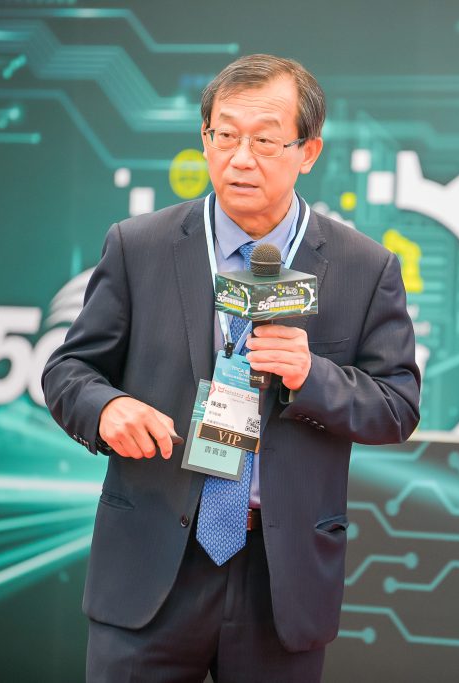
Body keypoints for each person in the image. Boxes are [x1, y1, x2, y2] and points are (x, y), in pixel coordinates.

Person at [42, 54, 421, 682]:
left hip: (280, 575)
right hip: (151, 563)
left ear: (308, 151)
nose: (241, 158)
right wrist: (106, 407)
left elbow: (397, 406)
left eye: (266, 140)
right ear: (206, 140)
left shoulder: (363, 267)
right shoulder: (139, 246)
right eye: (225, 136)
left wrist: (313, 377)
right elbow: (69, 370)